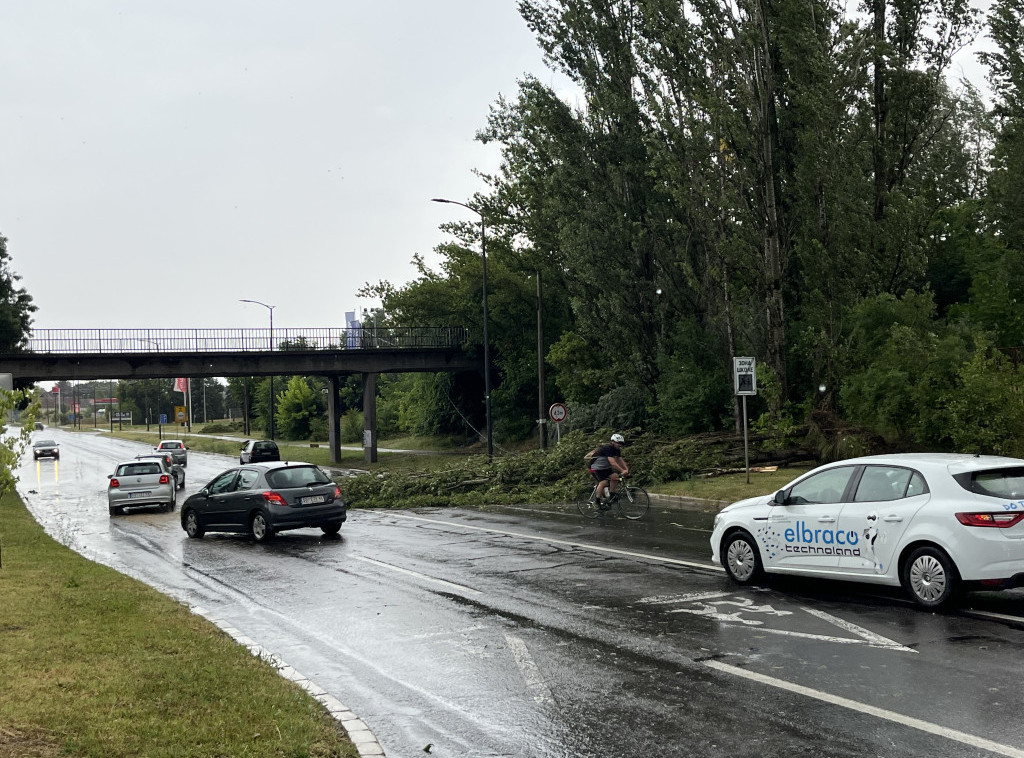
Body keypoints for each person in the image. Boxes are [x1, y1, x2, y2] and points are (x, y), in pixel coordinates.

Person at [584, 433, 629, 509]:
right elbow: (613, 463)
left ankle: (612, 495)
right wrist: (622, 470)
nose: (620, 445)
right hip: (595, 467)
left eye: (621, 443)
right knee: (604, 482)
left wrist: (626, 469)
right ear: (613, 442)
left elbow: (620, 459)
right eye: (619, 443)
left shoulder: (617, 449)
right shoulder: (608, 448)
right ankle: (597, 501)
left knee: (615, 477)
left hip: (605, 468)